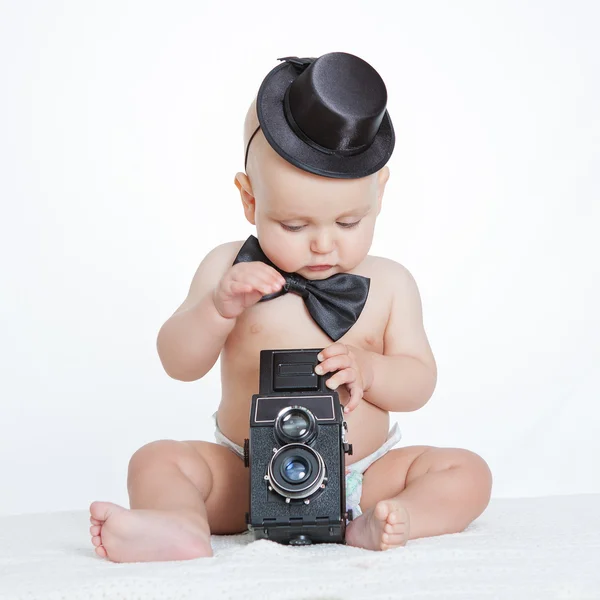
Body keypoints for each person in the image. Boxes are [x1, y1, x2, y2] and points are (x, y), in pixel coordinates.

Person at [89, 52, 492, 563]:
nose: (323, 245)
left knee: (467, 471)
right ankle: (179, 525)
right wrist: (218, 309)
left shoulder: (390, 283)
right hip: (246, 474)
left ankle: (390, 521)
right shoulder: (227, 268)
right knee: (156, 460)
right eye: (295, 226)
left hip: (361, 476)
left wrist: (371, 369)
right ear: (250, 200)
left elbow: (420, 382)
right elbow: (177, 361)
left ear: (380, 192)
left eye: (348, 223)